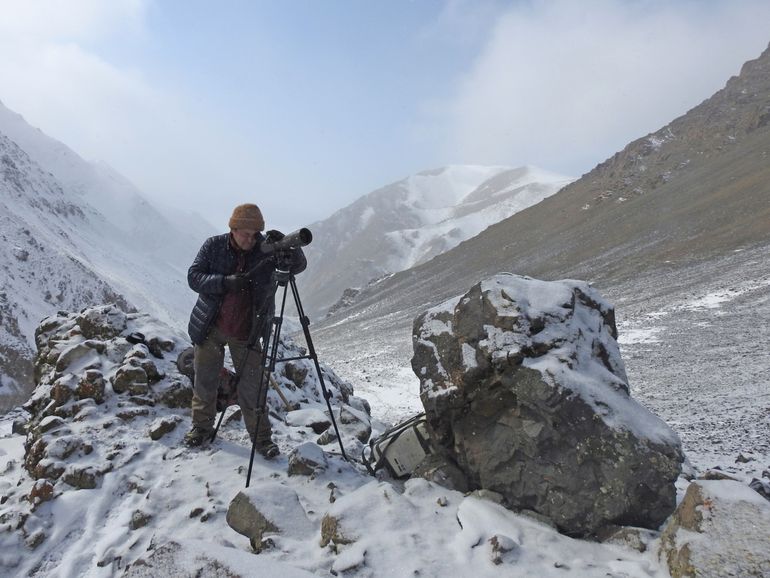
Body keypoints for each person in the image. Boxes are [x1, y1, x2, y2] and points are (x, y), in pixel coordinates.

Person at [183, 203, 306, 456]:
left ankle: (262, 440)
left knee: (253, 388)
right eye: (245, 234)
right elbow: (194, 277)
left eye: (255, 234)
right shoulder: (213, 245)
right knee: (205, 381)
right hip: (211, 327)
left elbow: (298, 266)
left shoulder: (264, 250)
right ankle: (201, 428)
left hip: (247, 331)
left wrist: (286, 245)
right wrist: (223, 282)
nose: (251, 240)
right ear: (233, 228)